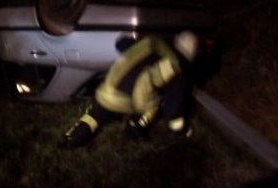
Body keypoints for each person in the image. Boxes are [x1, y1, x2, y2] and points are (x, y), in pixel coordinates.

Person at [61, 30, 199, 149]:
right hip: (125, 100)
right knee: (154, 103)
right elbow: (173, 111)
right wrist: (183, 129)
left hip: (107, 88)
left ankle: (73, 136)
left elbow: (120, 43)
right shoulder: (176, 70)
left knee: (96, 115)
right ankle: (135, 127)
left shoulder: (151, 44)